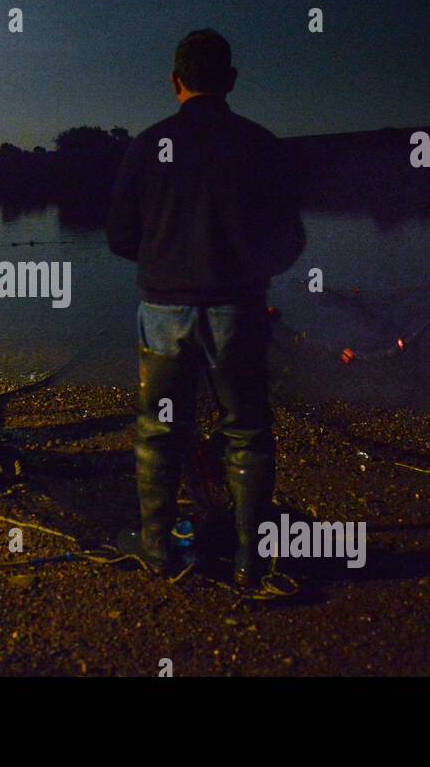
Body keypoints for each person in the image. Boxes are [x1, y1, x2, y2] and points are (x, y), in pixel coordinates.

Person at [106, 29, 306, 585]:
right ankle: (248, 559)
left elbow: (120, 235)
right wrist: (247, 271)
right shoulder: (261, 145)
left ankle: (156, 547)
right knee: (246, 430)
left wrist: (166, 260)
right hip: (237, 310)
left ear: (175, 82)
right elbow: (289, 240)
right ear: (232, 81)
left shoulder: (148, 146)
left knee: (159, 429)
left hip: (164, 312)